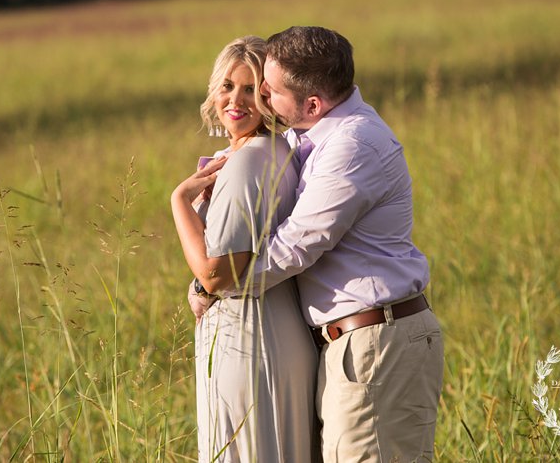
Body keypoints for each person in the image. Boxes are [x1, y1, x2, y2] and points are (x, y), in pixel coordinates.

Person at [198, 26, 444, 462]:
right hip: (349, 343)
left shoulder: (352, 145)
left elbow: (295, 247)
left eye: (268, 92)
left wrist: (215, 283)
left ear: (312, 103)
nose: (261, 102)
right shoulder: (309, 135)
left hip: (374, 346)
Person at [170, 35, 318, 463]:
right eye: (227, 86)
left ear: (269, 95)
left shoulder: (248, 160)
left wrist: (179, 201)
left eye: (251, 88)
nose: (236, 99)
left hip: (249, 339)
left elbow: (217, 273)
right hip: (269, 330)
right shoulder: (276, 152)